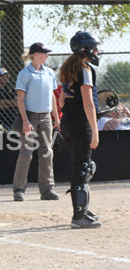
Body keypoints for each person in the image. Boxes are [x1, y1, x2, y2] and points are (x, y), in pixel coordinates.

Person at [58, 31, 103, 228]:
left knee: (84, 167)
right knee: (83, 169)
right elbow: (88, 104)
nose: (96, 51)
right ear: (85, 49)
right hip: (79, 123)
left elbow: (61, 101)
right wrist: (95, 129)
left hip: (67, 122)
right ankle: (78, 217)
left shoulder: (68, 69)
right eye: (93, 47)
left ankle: (82, 209)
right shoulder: (84, 69)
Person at [12, 42, 60, 202]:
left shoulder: (50, 73)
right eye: (45, 53)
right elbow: (20, 99)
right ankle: (19, 190)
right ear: (36, 55)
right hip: (30, 117)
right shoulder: (25, 74)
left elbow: (52, 96)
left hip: (46, 117)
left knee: (47, 152)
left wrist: (56, 118)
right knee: (26, 153)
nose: (47, 56)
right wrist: (25, 120)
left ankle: (47, 190)